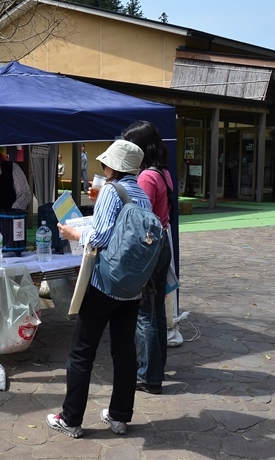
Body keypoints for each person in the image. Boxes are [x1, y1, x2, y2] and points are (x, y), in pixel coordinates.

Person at [48, 139, 151, 438]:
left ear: (113, 166)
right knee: (124, 352)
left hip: (104, 284)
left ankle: (70, 419)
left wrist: (73, 232)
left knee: (81, 351)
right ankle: (119, 417)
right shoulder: (141, 194)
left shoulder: (111, 190)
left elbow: (101, 238)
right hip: (132, 286)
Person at [122, 120, 174, 395]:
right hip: (163, 244)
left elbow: (141, 217)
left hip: (150, 248)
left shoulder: (145, 177)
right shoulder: (163, 172)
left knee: (146, 314)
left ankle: (148, 375)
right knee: (156, 312)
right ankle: (156, 368)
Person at [0, 152, 30, 331]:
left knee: (11, 277)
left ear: (0, 161)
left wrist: (6, 215)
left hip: (11, 231)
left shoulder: (12, 168)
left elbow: (25, 195)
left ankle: (14, 323)